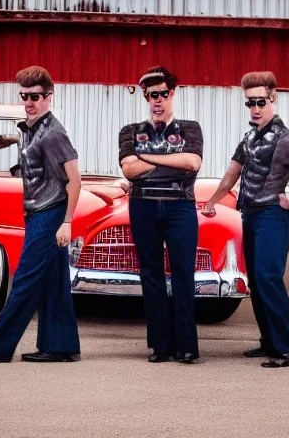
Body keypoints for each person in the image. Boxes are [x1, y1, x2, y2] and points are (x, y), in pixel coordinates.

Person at [0, 66, 81, 363]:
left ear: (48, 97)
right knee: (54, 280)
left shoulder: (55, 134)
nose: (28, 102)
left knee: (25, 280)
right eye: (24, 96)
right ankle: (60, 346)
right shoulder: (30, 128)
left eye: (35, 96)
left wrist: (67, 222)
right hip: (36, 214)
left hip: (49, 215)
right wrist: (11, 139)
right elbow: (32, 142)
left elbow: (75, 179)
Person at [203, 71, 289, 368]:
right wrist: (211, 202)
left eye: (260, 101)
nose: (255, 108)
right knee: (257, 282)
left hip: (274, 215)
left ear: (273, 99)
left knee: (268, 278)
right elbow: (232, 173)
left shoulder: (287, 140)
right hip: (251, 215)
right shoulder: (249, 138)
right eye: (250, 103)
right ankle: (270, 342)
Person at [119, 66, 203, 364]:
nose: (158, 100)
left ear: (173, 93)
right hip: (143, 207)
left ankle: (187, 346)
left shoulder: (190, 128)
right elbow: (128, 169)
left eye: (163, 94)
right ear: (145, 96)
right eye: (152, 95)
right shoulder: (130, 130)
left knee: (183, 274)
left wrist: (146, 157)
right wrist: (170, 160)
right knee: (151, 274)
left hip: (180, 206)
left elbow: (192, 162)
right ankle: (160, 345)